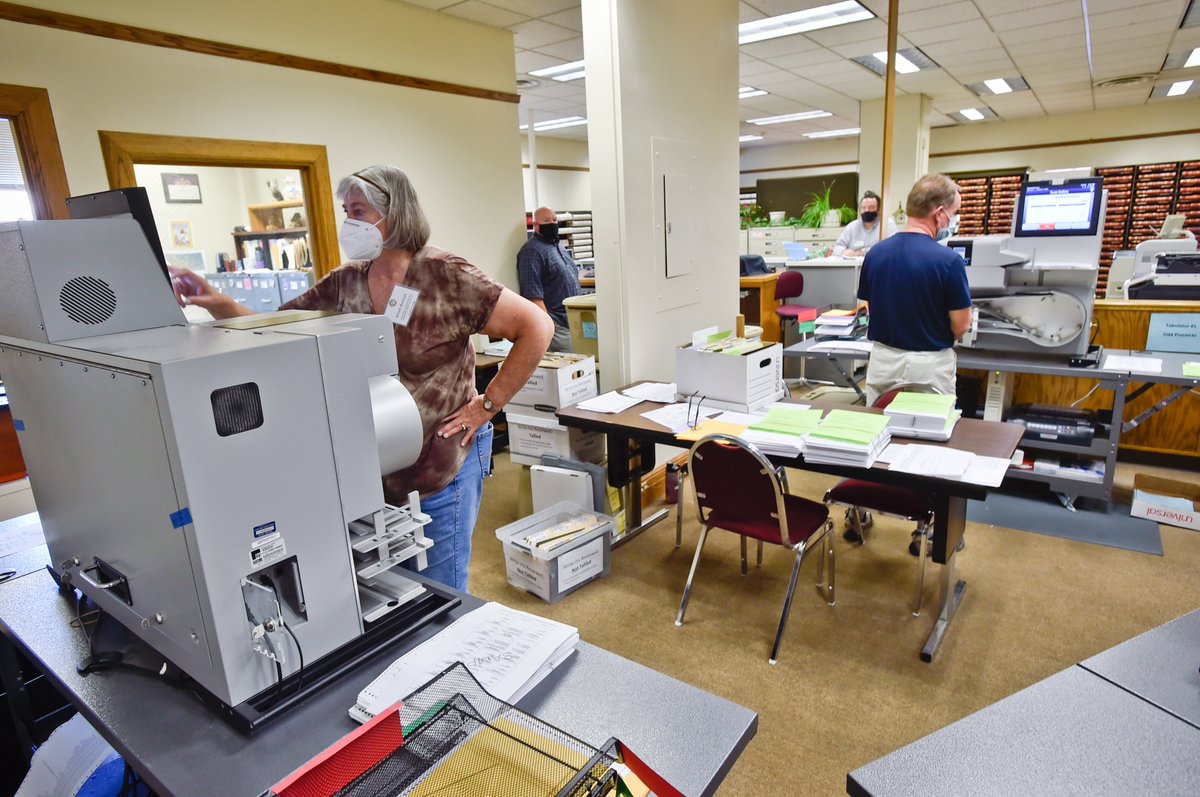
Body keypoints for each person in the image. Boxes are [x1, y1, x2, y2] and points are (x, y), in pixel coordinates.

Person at [170, 165, 554, 592]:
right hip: (377, 467)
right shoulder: (345, 284)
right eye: (346, 212)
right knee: (392, 590)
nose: (349, 223)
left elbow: (537, 327)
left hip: (441, 465)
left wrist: (487, 405)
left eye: (359, 211)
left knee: (441, 591)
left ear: (396, 214)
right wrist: (216, 303)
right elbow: (274, 327)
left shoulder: (446, 276)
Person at [857, 174, 971, 407]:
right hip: (929, 366)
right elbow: (961, 325)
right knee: (930, 427)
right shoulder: (949, 261)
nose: (951, 221)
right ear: (939, 213)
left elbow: (870, 306)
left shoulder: (875, 255)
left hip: (883, 361)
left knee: (880, 423)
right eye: (953, 214)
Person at [516, 207, 581, 352]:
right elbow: (533, 295)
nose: (552, 223)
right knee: (571, 362)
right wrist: (548, 327)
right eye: (546, 221)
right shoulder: (532, 252)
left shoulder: (558, 246)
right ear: (535, 225)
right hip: (557, 324)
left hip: (573, 321)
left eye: (554, 220)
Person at [833, 190, 897, 257]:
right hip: (853, 263)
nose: (867, 210)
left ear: (879, 210)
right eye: (863, 208)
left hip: (878, 262)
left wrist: (864, 252)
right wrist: (843, 251)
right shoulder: (851, 227)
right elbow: (837, 247)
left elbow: (893, 247)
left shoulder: (887, 225)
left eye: (871, 207)